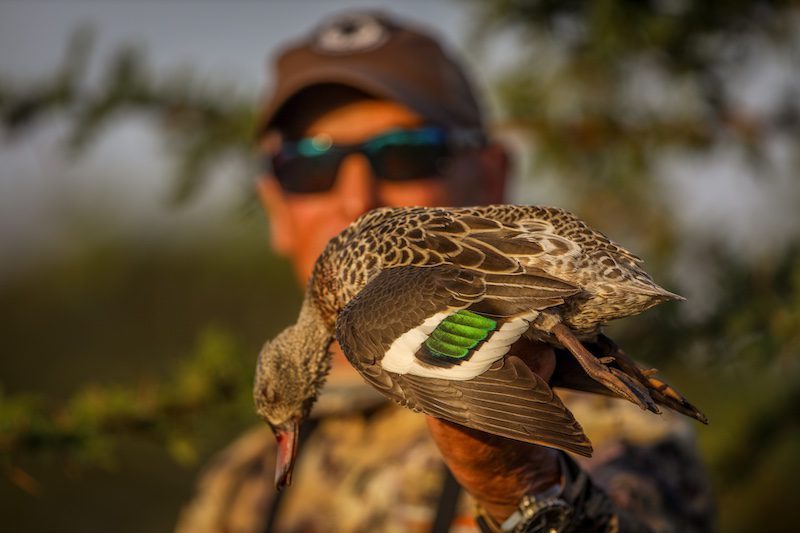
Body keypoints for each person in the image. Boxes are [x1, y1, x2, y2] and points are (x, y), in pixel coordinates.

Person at [177, 10, 714, 533]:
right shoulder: (234, 494)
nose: (357, 197)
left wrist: (521, 488)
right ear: (273, 205)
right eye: (309, 163)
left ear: (491, 175)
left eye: (406, 153)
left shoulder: (630, 438)